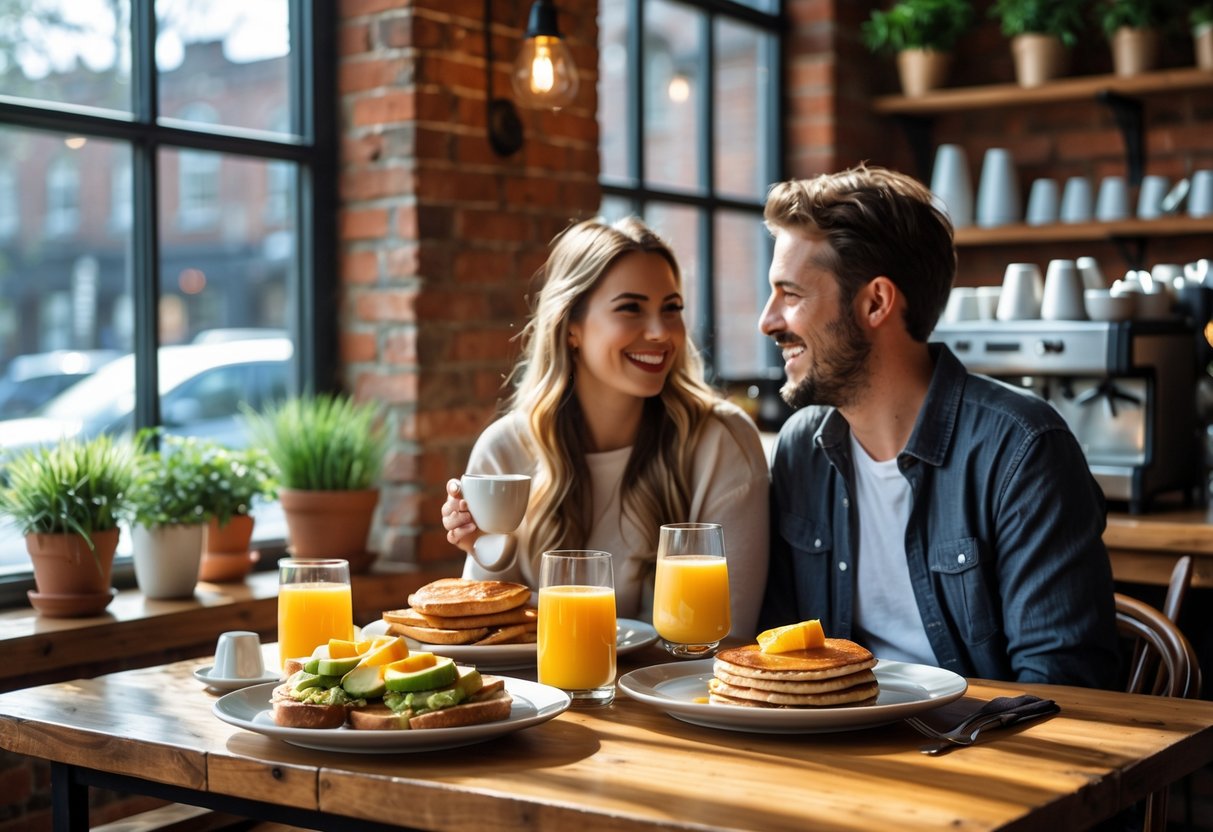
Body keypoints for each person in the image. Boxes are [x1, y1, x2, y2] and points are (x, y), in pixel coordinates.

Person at [757, 164, 1119, 688]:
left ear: (876, 302)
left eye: (790, 294)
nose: (767, 321)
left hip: (980, 751)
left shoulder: (1022, 449)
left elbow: (1060, 692)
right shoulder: (803, 449)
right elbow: (780, 655)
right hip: (834, 749)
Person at [441, 217, 770, 636]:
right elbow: (483, 638)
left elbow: (726, 637)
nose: (659, 332)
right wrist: (483, 550)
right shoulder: (505, 450)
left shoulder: (722, 442)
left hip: (675, 697)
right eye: (630, 308)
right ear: (571, 327)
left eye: (671, 309)